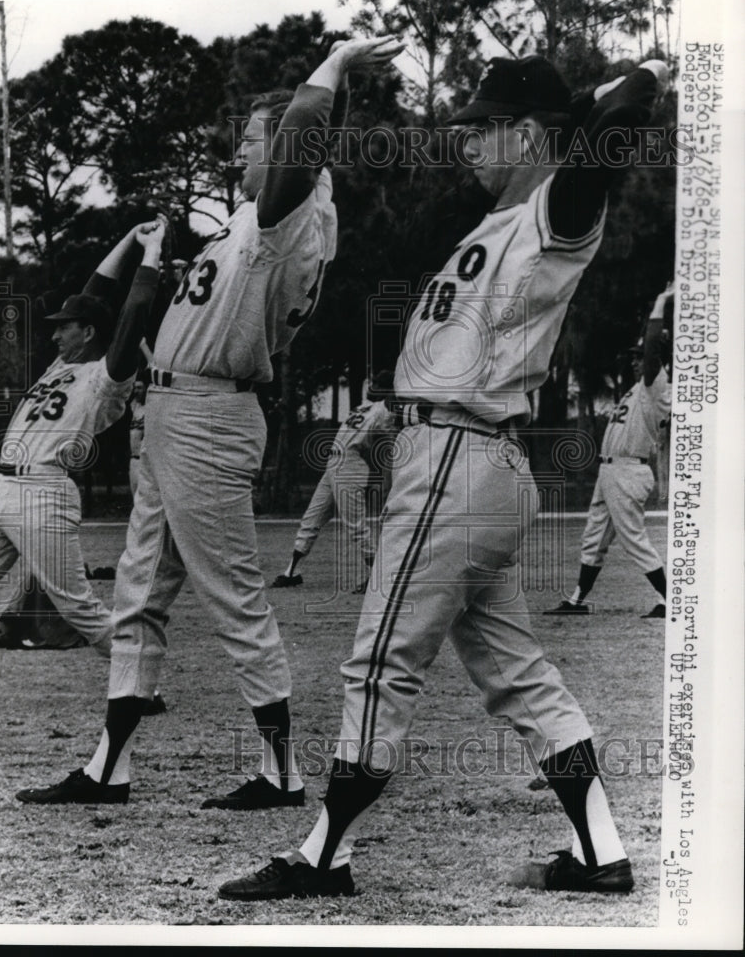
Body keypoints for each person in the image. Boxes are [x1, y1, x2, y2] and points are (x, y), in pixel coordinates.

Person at [219, 54, 669, 901]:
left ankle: (323, 857)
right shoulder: (503, 220)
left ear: (528, 135)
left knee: (380, 661)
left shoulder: (555, 209)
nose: (466, 142)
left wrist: (631, 75)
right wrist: (560, 111)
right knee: (516, 671)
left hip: (458, 460)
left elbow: (612, 128)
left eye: (483, 128)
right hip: (467, 462)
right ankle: (600, 852)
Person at [16, 36, 405, 809]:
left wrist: (330, 67)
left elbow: (302, 145)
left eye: (253, 140)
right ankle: (109, 768)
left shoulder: (291, 212)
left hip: (209, 415)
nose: (240, 154)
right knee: (138, 594)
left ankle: (282, 773)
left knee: (233, 595)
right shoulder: (255, 216)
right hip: (176, 412)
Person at [0, 218, 168, 659]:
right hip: (3, 490)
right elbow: (94, 291)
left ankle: (138, 680)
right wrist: (129, 239)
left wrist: (152, 255)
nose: (55, 334)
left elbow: (133, 313)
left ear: (89, 332)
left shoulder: (106, 376)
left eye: (65, 326)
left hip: (43, 492)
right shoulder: (62, 365)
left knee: (80, 609)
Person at [544, 287, 673, 619]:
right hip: (611, 471)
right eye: (634, 357)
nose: (634, 360)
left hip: (628, 470)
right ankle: (576, 601)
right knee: (594, 537)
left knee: (632, 539)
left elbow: (652, 351)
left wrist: (659, 304)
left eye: (638, 357)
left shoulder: (657, 385)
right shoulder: (638, 389)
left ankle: (672, 600)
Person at [271, 371, 400, 594]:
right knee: (311, 520)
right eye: (374, 382)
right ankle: (290, 572)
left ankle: (378, 577)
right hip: (334, 463)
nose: (373, 386)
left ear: (388, 390)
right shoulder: (365, 406)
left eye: (379, 384)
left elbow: (388, 446)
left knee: (356, 526)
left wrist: (386, 480)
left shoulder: (385, 412)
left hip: (350, 465)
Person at [128, 373, 149, 495]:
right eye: (135, 388)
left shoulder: (151, 408)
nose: (136, 391)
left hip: (145, 460)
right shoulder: (134, 406)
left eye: (140, 388)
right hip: (133, 460)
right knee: (134, 496)